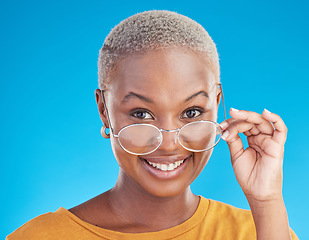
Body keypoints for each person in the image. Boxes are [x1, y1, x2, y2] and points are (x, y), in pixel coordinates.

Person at [7, 10, 298, 240]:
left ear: (218, 103)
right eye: (142, 114)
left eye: (192, 111)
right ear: (104, 111)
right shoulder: (40, 237)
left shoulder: (261, 230)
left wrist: (266, 201)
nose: (170, 143)